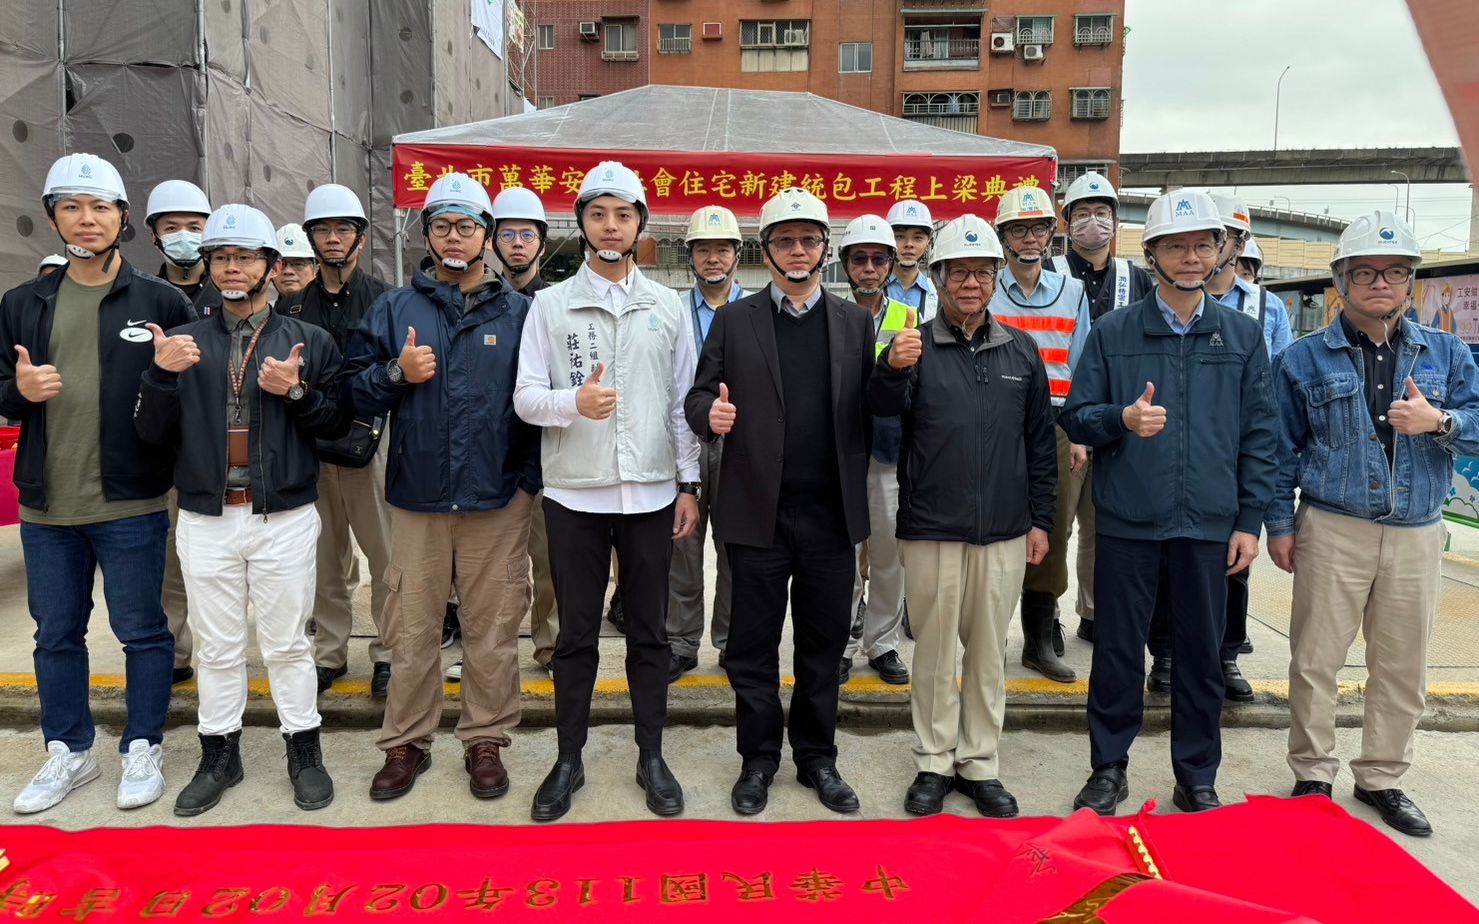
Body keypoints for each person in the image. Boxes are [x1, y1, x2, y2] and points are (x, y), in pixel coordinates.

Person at [1061, 190, 1278, 816]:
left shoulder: (1240, 336)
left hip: (1208, 526)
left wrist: (1248, 522)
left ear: (1219, 253)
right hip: (1130, 521)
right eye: (1175, 246)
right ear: (1152, 253)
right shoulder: (1114, 332)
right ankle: (1108, 767)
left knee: (1201, 656)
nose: (1190, 257)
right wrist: (1121, 419)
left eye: (1202, 245)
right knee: (1119, 653)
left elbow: (1260, 435)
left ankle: (1197, 774)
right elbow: (1078, 417)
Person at [1268, 211, 1479, 838]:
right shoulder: (1303, 359)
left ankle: (1382, 776)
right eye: (1364, 272)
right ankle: (1312, 772)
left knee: (1402, 664)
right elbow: (1281, 448)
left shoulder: (1447, 353)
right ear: (1341, 282)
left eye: (1393, 272)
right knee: (1314, 658)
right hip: (1334, 525)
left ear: (1410, 283)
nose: (1379, 283)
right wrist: (1280, 523)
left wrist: (1440, 422)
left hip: (1417, 530)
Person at [135, 203, 347, 816]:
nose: (231, 268)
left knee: (286, 643)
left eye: (245, 257)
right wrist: (160, 376)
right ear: (208, 266)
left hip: (281, 515)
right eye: (221, 257)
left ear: (271, 266)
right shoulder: (185, 344)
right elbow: (149, 436)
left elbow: (337, 428)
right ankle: (218, 754)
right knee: (217, 645)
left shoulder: (310, 341)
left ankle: (303, 748)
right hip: (206, 517)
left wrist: (298, 392)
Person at [4, 154, 194, 815]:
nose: (87, 220)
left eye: (100, 208)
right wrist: (18, 390)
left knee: (143, 630)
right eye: (73, 208)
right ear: (55, 216)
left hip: (132, 499)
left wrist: (166, 374)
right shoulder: (23, 303)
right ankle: (68, 750)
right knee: (56, 633)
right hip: (48, 503)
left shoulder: (161, 301)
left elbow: (182, 407)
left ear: (121, 219)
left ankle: (142, 743)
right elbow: (3, 390)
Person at [515, 161, 700, 822]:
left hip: (651, 495)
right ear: (582, 224)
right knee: (575, 637)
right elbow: (526, 398)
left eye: (623, 214)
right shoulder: (550, 304)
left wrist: (687, 483)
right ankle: (569, 759)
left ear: (640, 224)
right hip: (575, 497)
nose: (611, 225)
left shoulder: (666, 306)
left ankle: (651, 756)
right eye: (598, 213)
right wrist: (573, 402)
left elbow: (682, 403)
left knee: (650, 634)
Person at [685, 187, 874, 817]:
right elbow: (696, 396)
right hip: (756, 513)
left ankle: (818, 757)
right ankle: (758, 758)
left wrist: (899, 374)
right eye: (785, 241)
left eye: (810, 240)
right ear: (762, 252)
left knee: (823, 646)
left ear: (826, 249)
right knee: (751, 645)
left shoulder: (854, 322)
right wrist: (708, 413)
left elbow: (876, 410)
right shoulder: (735, 321)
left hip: (830, 514)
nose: (798, 251)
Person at [351, 173, 539, 802]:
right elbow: (352, 389)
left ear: (486, 236)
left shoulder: (521, 314)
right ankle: (406, 741)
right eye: (441, 226)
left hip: (497, 499)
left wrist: (526, 486)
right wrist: (393, 374)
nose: (453, 238)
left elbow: (537, 405)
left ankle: (485, 737)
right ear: (426, 235)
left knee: (493, 630)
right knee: (412, 627)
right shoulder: (395, 310)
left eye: (466, 226)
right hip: (418, 498)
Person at [870, 215, 1056, 817]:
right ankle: (932, 760)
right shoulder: (913, 345)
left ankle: (979, 763)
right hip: (931, 527)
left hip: (1003, 530)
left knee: (986, 655)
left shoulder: (1021, 351)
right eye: (958, 272)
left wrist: (1041, 521)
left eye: (981, 272)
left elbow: (1039, 445)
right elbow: (875, 412)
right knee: (933, 652)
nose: (970, 283)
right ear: (938, 277)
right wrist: (890, 368)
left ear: (995, 278)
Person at [1148, 195, 1293, 703]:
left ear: (1230, 246)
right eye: (1181, 245)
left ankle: (1226, 653)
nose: (1200, 254)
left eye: (1216, 241)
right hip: (1175, 440)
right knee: (1171, 557)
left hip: (1230, 445)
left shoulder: (1262, 307)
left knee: (1233, 558)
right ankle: (1165, 651)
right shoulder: (1161, 301)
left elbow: (1272, 387)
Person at [283, 184, 395, 700]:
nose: (332, 239)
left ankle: (389, 654)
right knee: (325, 560)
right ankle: (329, 652)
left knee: (386, 556)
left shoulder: (387, 300)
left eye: (342, 230)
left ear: (360, 237)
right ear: (310, 238)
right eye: (323, 230)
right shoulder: (291, 305)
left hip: (373, 443)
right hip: (310, 443)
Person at [1048, 172, 1154, 645]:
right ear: (1066, 222)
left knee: (1101, 521)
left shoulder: (1138, 278)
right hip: (1060, 420)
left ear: (1116, 220)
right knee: (1054, 521)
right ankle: (1044, 611)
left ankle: (1093, 610)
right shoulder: (1050, 273)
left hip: (1118, 421)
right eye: (1083, 213)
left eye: (1103, 212)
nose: (1094, 222)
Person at [990, 186, 1089, 684]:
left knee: (1051, 529)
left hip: (1052, 424)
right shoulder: (986, 287)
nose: (1029, 239)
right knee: (989, 527)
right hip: (995, 422)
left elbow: (1082, 364)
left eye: (1038, 228)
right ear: (1002, 236)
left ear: (1052, 233)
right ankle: (989, 639)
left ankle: (1037, 641)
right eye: (1018, 230)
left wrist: (1077, 432)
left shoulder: (1072, 292)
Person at [145, 179, 218, 687]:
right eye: (172, 228)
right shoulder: (142, 298)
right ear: (153, 235)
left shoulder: (235, 291)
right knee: (171, 559)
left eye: (195, 227)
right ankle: (175, 652)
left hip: (225, 448)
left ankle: (227, 655)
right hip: (167, 451)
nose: (184, 237)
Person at [668, 205, 745, 682]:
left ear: (738, 253)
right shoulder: (670, 308)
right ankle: (680, 642)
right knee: (681, 544)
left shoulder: (758, 307)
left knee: (737, 547)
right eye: (703, 249)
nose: (712, 258)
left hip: (739, 443)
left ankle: (733, 643)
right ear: (691, 256)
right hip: (684, 440)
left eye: (721, 248)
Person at [836, 214, 911, 686]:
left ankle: (882, 643)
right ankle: (840, 642)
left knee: (888, 555)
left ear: (890, 265)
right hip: (840, 455)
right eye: (859, 259)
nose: (869, 267)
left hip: (889, 454)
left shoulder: (911, 318)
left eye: (877, 259)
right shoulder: (830, 315)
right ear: (845, 264)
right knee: (842, 555)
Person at [490, 186, 558, 674]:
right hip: (491, 454)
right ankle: (494, 652)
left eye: (526, 234)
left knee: (551, 560)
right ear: (492, 241)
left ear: (541, 242)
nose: (517, 243)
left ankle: (552, 647)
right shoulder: (481, 301)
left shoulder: (558, 304)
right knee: (494, 568)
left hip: (549, 452)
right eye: (507, 233)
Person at [885, 199, 939, 322]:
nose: (909, 244)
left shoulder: (938, 293)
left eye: (918, 238)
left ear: (928, 243)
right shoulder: (872, 289)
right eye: (900, 236)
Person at [273, 224, 317, 301]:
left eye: (298, 264)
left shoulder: (332, 311)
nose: (288, 271)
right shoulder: (264, 312)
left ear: (317, 269)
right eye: (281, 265)